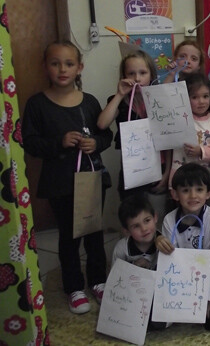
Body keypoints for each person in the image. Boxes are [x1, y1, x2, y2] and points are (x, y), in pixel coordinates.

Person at [22, 40, 112, 314]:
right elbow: (29, 143)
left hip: (92, 178)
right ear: (45, 67)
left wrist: (95, 143)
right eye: (55, 63)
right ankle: (74, 286)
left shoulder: (89, 101)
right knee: (69, 237)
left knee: (94, 233)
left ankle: (98, 281)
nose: (62, 69)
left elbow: (106, 133)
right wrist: (58, 142)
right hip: (60, 182)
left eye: (69, 64)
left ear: (79, 68)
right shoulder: (37, 104)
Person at [155, 163, 210, 329]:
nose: (193, 195)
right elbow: (170, 264)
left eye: (199, 190)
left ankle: (201, 307)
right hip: (181, 282)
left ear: (209, 193)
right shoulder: (169, 220)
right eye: (186, 190)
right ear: (175, 194)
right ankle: (181, 310)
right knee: (155, 321)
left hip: (207, 280)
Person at [97, 50, 168, 200]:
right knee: (133, 213)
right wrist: (120, 94)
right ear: (124, 76)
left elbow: (169, 140)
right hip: (132, 171)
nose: (137, 78)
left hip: (158, 167)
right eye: (131, 73)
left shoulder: (160, 101)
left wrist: (167, 172)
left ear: (152, 75)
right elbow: (102, 124)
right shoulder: (120, 102)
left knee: (157, 215)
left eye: (143, 73)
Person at [112, 194, 168, 330]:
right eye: (136, 226)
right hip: (132, 296)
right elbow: (115, 282)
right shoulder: (121, 249)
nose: (144, 229)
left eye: (147, 220)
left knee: (158, 321)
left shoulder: (165, 243)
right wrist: (134, 269)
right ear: (126, 231)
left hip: (159, 294)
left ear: (155, 218)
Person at [169, 73, 210, 194]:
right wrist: (172, 185)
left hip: (207, 182)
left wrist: (201, 151)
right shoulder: (181, 120)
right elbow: (177, 157)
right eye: (195, 97)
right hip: (184, 182)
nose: (201, 101)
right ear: (186, 98)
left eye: (205, 96)